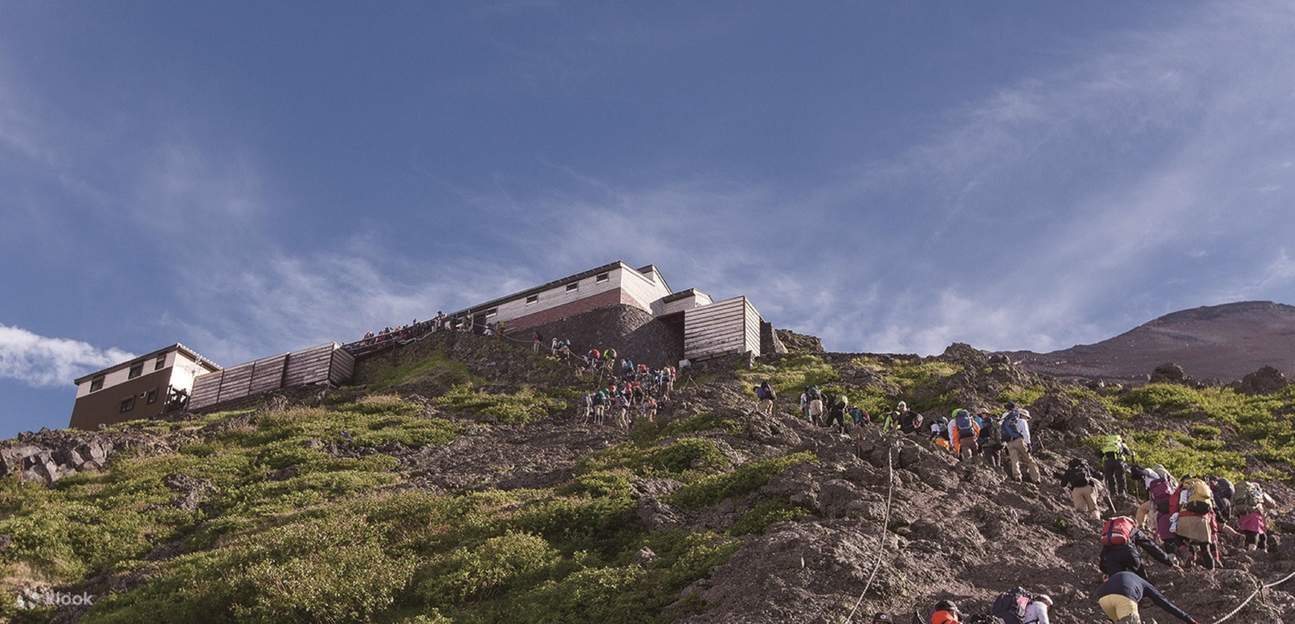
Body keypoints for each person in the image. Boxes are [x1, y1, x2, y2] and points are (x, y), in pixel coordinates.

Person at [1094, 571, 1197, 624]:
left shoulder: (1128, 577)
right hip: (1124, 597)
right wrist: (1188, 619)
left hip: (1102, 599)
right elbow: (1165, 603)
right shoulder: (1145, 585)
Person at [1099, 515, 1177, 581]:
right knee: (1143, 581)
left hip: (1110, 557)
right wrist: (1169, 562)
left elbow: (1103, 553)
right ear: (1133, 523)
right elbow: (1151, 547)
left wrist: (1106, 571)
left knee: (1118, 583)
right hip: (1128, 552)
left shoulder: (1110, 531)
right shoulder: (1133, 530)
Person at [1172, 475, 1218, 569]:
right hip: (1202, 521)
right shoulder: (1205, 490)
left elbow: (1173, 504)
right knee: (1205, 548)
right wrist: (1213, 530)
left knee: (1177, 538)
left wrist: (1173, 518)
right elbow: (1211, 512)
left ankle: (1188, 555)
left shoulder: (1182, 488)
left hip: (1185, 518)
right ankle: (1212, 572)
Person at [1001, 403, 1041, 483]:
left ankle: (1017, 476)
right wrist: (1029, 444)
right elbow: (1026, 433)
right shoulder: (1022, 421)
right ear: (1023, 415)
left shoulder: (1007, 420)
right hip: (1019, 441)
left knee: (1014, 460)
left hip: (1009, 442)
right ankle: (1036, 478)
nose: (1027, 419)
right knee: (1029, 460)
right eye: (1027, 417)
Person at [1234, 480, 1278, 551]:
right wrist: (1265, 526)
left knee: (1259, 536)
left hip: (1243, 516)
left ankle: (1255, 552)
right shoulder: (1258, 495)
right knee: (1254, 536)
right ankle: (1252, 554)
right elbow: (1271, 506)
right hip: (1254, 518)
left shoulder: (1243, 496)